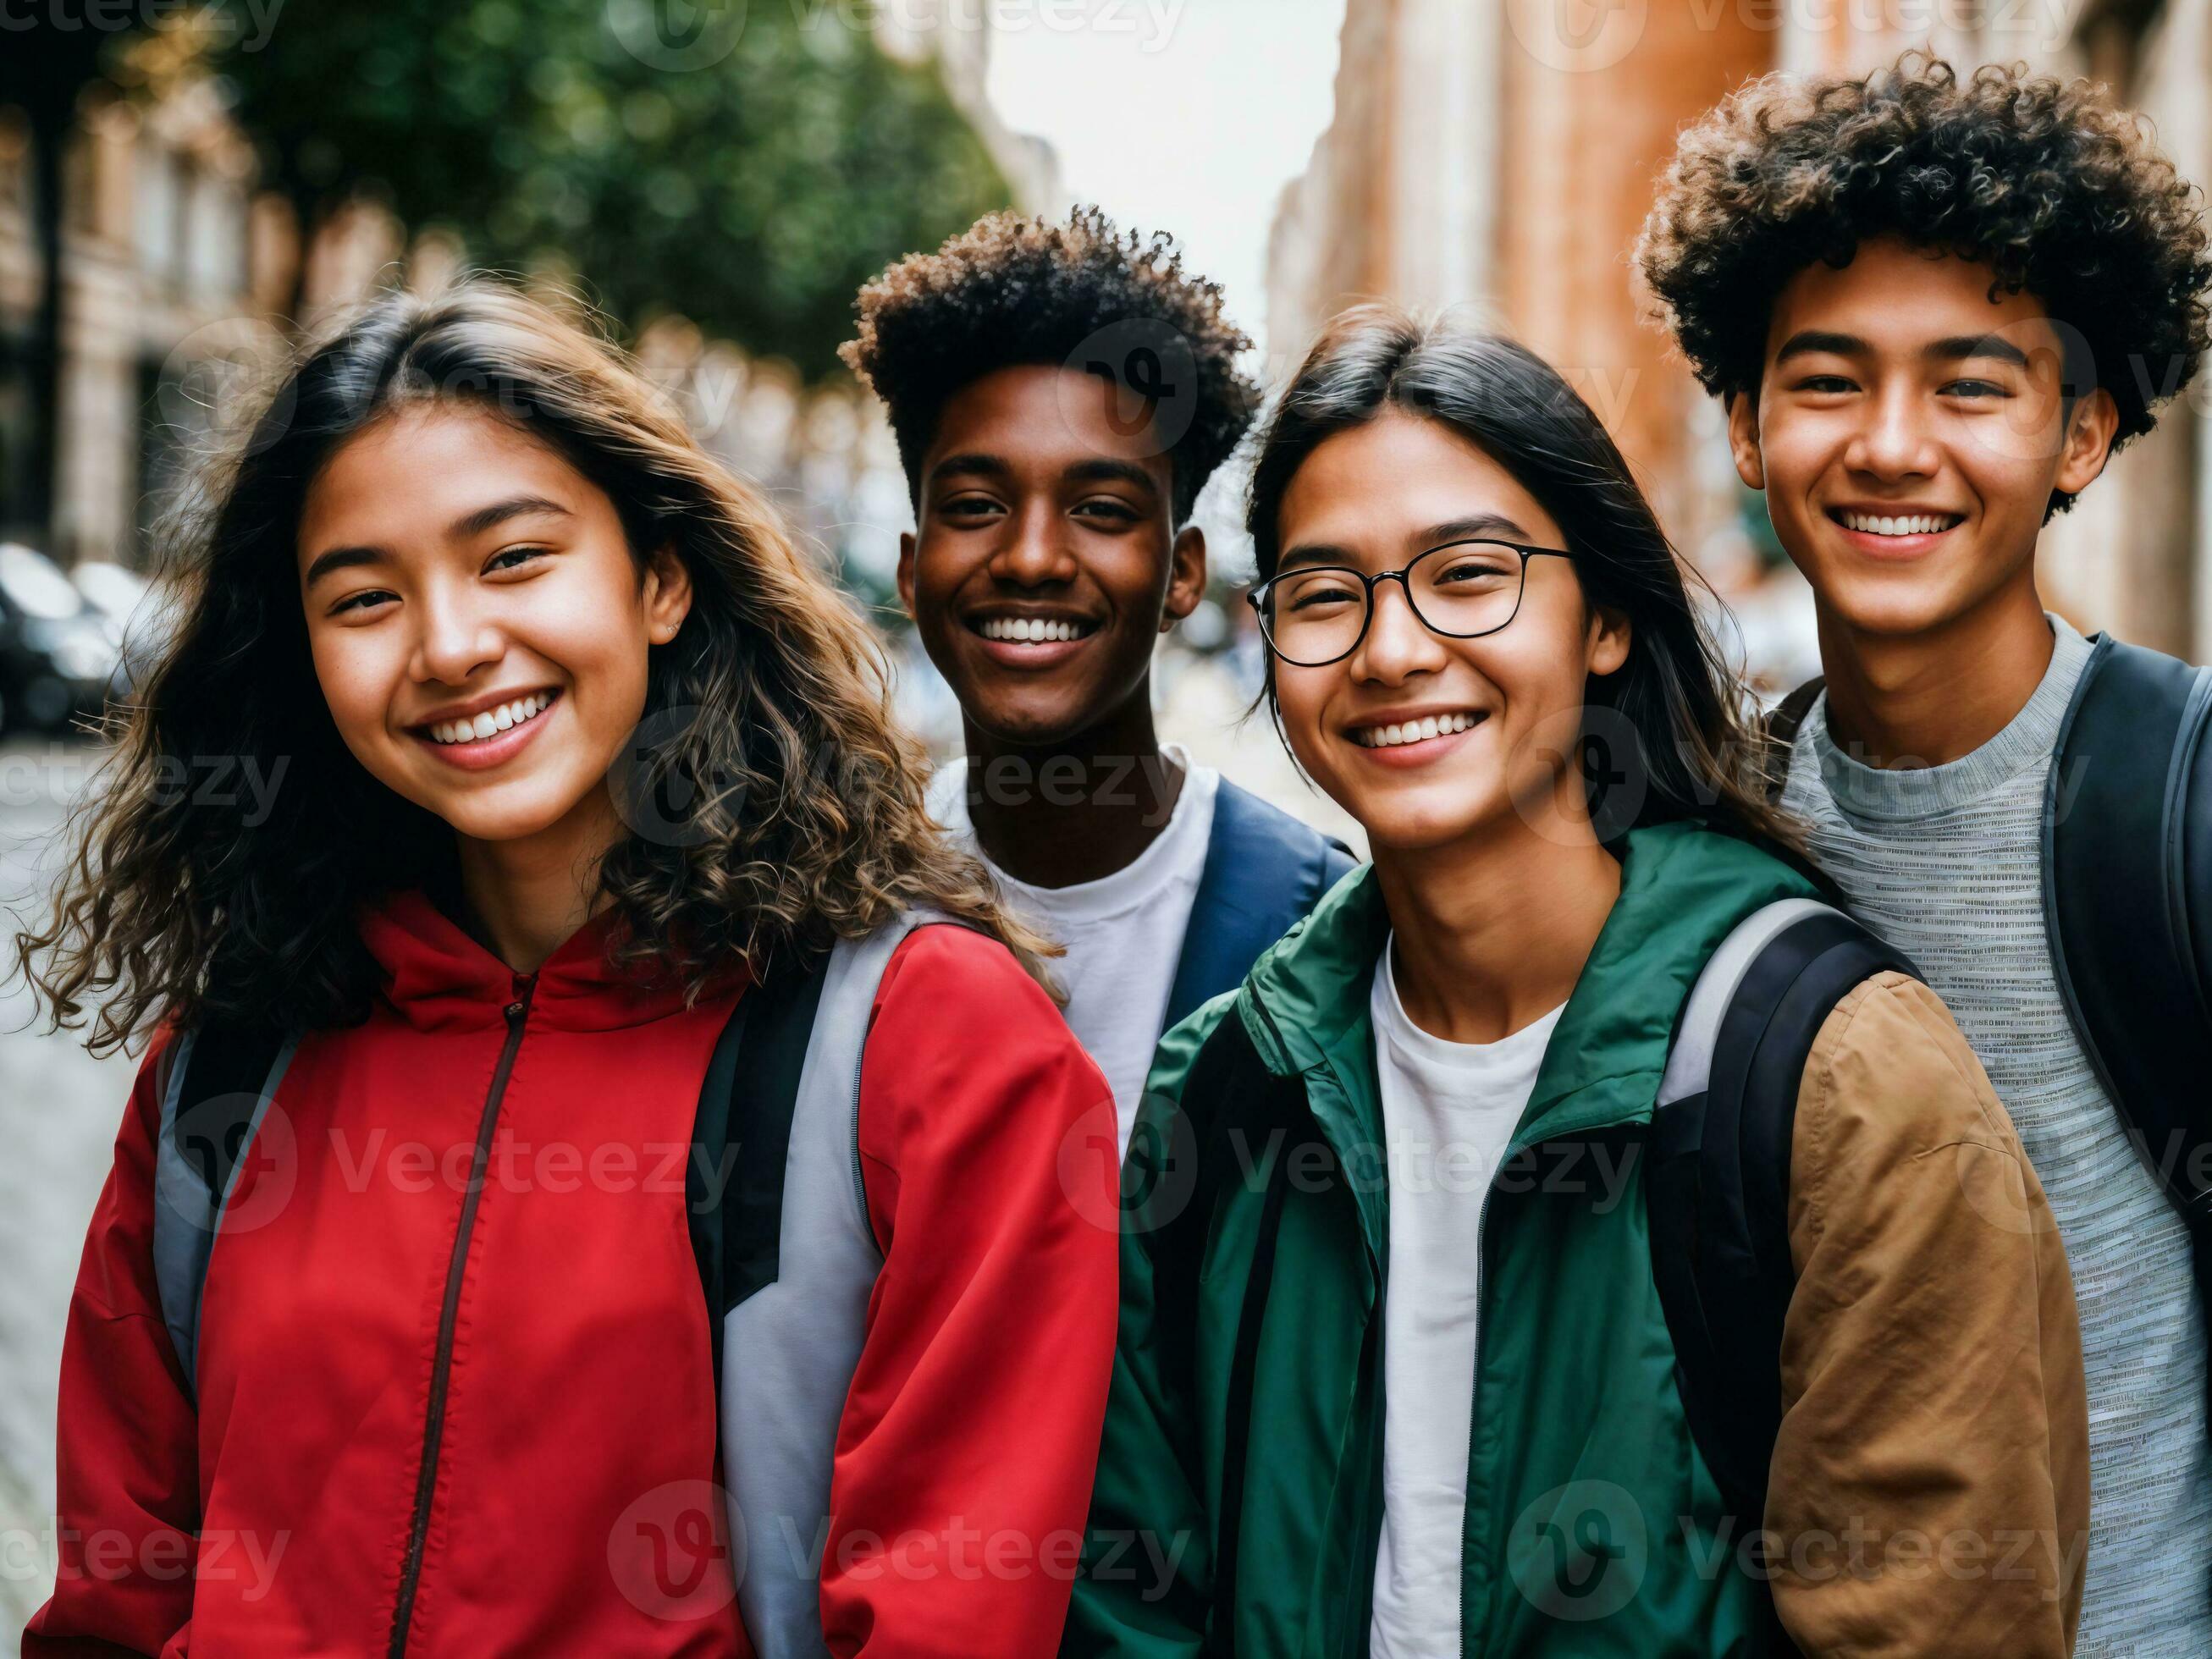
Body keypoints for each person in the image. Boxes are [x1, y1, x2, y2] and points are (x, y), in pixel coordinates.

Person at [16, 280, 1118, 1658]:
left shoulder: (927, 1043)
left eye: (514, 557)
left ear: (658, 580)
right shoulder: (230, 1061)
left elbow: (951, 1616)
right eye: (363, 596)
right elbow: (118, 1605)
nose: (452, 646)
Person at [1065, 307, 2088, 1656]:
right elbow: (1132, 1605)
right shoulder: (1225, 1091)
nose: (1390, 652)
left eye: (1470, 576)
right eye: (1324, 594)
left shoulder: (1831, 1076)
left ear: (1603, 618)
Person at [1641, 53, 2212, 1652]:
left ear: (2081, 434)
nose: (1892, 446)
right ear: (1747, 428)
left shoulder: (2186, 805)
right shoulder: (1706, 838)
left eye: (1969, 385)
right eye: (1825, 381)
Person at [843, 207, 1353, 1155]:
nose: (1032, 556)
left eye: (1102, 509)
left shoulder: (1323, 923)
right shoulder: (840, 909)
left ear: (1184, 573)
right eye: (977, 505)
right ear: (912, 571)